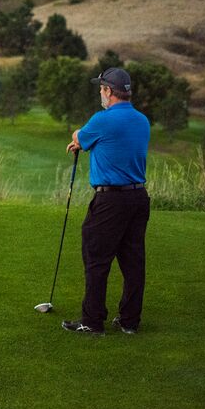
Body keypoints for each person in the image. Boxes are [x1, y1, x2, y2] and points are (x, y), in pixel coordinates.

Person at [62, 67, 151, 335]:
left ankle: (92, 321)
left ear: (109, 91)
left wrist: (78, 134)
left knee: (96, 259)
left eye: (101, 89)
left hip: (110, 202)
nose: (100, 93)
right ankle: (129, 321)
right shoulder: (142, 120)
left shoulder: (102, 120)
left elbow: (81, 137)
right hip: (138, 198)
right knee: (133, 261)